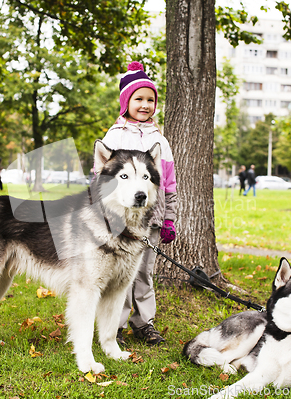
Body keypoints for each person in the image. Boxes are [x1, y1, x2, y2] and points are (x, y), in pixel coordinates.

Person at [101, 61, 177, 346]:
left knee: (144, 273)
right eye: (139, 99)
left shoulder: (160, 140)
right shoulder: (114, 136)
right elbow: (100, 178)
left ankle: (144, 323)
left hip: (150, 221)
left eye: (150, 100)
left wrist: (168, 219)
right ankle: (115, 325)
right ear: (126, 102)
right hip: (118, 221)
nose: (145, 105)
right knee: (119, 274)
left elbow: (168, 184)